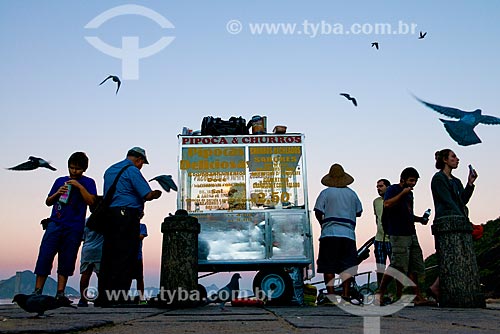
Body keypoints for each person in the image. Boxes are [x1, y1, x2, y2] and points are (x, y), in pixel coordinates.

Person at [97, 147, 161, 306]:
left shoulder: (110, 170)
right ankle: (119, 296)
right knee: (125, 255)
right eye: (142, 163)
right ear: (139, 159)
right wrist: (156, 193)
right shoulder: (132, 170)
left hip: (110, 216)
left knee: (108, 255)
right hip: (127, 216)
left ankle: (104, 296)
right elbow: (146, 194)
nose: (141, 166)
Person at [33, 152, 97, 304]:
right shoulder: (60, 181)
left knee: (67, 259)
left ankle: (60, 292)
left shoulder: (89, 182)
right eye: (71, 168)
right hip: (55, 223)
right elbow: (48, 202)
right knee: (45, 256)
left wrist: (80, 187)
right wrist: (57, 193)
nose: (74, 171)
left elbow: (92, 202)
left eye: (77, 169)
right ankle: (37, 290)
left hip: (74, 227)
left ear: (84, 169)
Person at [376, 167, 434, 306]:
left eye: (415, 181)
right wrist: (402, 193)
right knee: (398, 265)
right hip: (398, 233)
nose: (413, 184)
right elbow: (387, 203)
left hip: (411, 232)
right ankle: (380, 293)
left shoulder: (409, 194)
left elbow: (407, 214)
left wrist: (420, 219)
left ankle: (417, 296)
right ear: (403, 179)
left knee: (415, 265)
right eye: (411, 181)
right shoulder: (394, 189)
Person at [428, 149, 477, 300]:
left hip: (458, 222)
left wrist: (470, 183)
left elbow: (462, 200)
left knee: (457, 257)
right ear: (445, 160)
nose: (457, 159)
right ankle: (438, 288)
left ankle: (437, 288)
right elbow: (447, 201)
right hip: (446, 221)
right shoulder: (438, 179)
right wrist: (463, 218)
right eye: (453, 156)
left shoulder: (456, 181)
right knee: (448, 256)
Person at [314, 164, 363, 304]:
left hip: (329, 233)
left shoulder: (326, 193)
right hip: (348, 234)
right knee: (347, 266)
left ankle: (331, 296)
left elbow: (318, 211)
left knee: (328, 265)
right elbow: (359, 212)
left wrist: (322, 224)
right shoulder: (352, 194)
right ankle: (346, 295)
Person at [78, 220, 104, 307]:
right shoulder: (106, 220)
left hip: (87, 250)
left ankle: (83, 299)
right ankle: (101, 298)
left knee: (85, 274)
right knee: (100, 275)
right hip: (100, 249)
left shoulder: (86, 221)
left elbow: (82, 238)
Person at [373, 178, 392, 287]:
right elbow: (377, 218)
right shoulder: (376, 201)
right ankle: (380, 292)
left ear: (387, 187)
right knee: (380, 267)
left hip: (391, 238)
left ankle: (397, 292)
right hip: (379, 239)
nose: (378, 189)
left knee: (395, 266)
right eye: (377, 187)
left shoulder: (394, 200)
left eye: (381, 186)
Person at [132, 223, 148, 304]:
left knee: (139, 278)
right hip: (125, 256)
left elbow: (141, 237)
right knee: (126, 278)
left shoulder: (141, 226)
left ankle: (141, 298)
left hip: (137, 256)